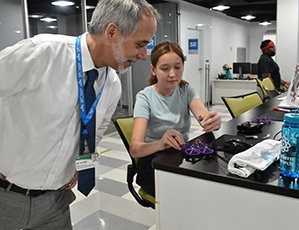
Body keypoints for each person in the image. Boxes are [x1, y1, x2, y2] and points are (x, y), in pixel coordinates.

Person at [0, 0, 160, 229]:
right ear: (112, 32)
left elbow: (96, 132)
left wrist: (81, 166)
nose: (144, 55)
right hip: (6, 197)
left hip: (56, 203)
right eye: (140, 44)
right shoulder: (42, 53)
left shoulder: (112, 84)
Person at [130, 41, 221, 197]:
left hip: (180, 156)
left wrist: (212, 121)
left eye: (177, 68)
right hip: (153, 161)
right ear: (153, 70)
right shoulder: (145, 97)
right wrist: (160, 144)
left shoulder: (186, 90)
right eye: (165, 69)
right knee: (182, 194)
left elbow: (203, 117)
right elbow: (135, 149)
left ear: (183, 67)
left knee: (211, 182)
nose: (172, 74)